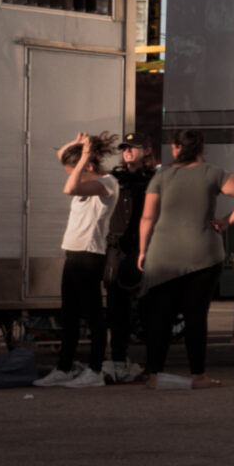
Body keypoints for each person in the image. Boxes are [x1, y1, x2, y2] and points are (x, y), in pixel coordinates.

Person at [135, 128, 234, 387]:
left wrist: (143, 250)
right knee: (196, 317)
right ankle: (198, 375)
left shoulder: (162, 175)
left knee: (161, 317)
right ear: (201, 148)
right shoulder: (213, 173)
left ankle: (154, 374)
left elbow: (148, 217)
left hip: (163, 255)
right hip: (203, 254)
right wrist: (226, 221)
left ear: (176, 148)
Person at [40, 132, 119, 388]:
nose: (71, 174)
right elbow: (61, 156)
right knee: (69, 315)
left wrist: (83, 156)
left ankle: (95, 370)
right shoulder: (86, 180)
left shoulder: (107, 183)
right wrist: (76, 146)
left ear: (90, 167)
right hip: (73, 253)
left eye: (77, 170)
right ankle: (64, 368)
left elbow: (69, 188)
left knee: (93, 315)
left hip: (90, 254)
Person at [101, 132, 159, 382]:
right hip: (117, 248)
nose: (128, 152)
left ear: (145, 151)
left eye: (133, 148)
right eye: (125, 148)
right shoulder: (114, 178)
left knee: (150, 306)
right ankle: (118, 357)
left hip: (145, 246)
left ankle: (153, 363)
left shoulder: (154, 179)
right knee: (117, 306)